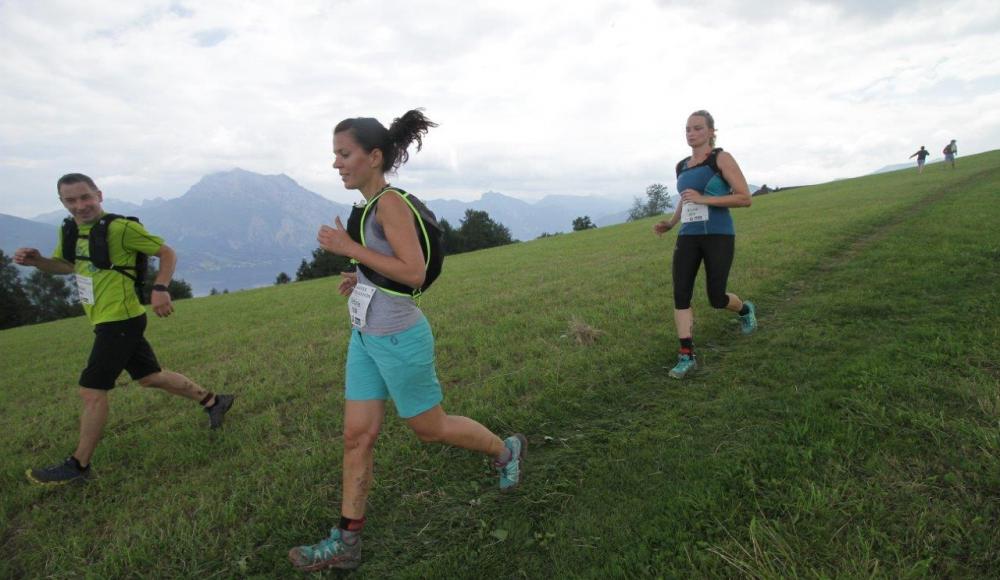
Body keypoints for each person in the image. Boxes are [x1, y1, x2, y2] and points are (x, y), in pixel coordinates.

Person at [287, 110, 526, 572]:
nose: (337, 163)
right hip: (365, 337)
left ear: (374, 157)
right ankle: (346, 542)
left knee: (429, 428)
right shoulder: (367, 206)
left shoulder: (390, 205)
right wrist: (358, 275)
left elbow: (414, 273)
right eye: (334, 155)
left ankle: (505, 450)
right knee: (357, 436)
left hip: (399, 337)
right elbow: (387, 263)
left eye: (344, 154)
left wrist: (349, 249)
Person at [14, 173, 234, 486]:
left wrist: (160, 287)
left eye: (85, 197)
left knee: (92, 391)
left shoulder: (121, 228)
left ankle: (78, 467)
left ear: (99, 195)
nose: (80, 206)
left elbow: (167, 252)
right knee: (149, 376)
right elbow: (66, 266)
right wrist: (39, 262)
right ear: (62, 203)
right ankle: (214, 401)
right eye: (71, 200)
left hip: (121, 319)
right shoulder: (70, 229)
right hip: (104, 318)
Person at [653, 110, 757, 379]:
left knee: (716, 297)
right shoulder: (682, 166)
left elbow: (744, 197)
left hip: (719, 235)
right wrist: (672, 223)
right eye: (687, 129)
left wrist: (705, 200)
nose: (691, 133)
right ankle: (686, 354)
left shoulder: (720, 158)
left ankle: (745, 310)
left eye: (698, 128)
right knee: (681, 293)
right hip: (688, 236)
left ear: (711, 132)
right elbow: (686, 198)